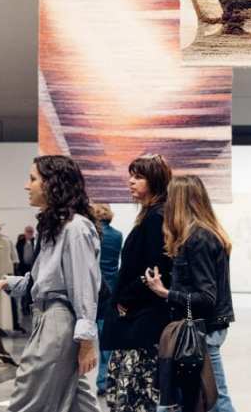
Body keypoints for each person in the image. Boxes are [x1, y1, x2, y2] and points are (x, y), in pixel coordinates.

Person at [0, 155, 101, 412]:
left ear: (52, 184)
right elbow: (43, 277)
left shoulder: (75, 228)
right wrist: (5, 282)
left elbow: (84, 287)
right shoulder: (55, 226)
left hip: (59, 323)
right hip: (49, 319)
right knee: (77, 402)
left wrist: (87, 341)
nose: (26, 186)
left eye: (33, 179)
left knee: (27, 398)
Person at [144, 174, 236, 412]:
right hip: (202, 328)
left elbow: (206, 298)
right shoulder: (198, 235)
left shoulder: (199, 238)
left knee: (216, 399)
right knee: (202, 397)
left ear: (179, 201)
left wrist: (165, 292)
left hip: (204, 329)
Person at [103, 155, 173, 412]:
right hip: (139, 319)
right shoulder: (151, 214)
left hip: (143, 321)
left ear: (154, 181)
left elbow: (155, 268)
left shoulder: (157, 217)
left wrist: (125, 299)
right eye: (131, 175)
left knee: (135, 396)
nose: (131, 182)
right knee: (131, 395)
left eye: (138, 176)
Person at [92, 203, 123, 396]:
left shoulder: (90, 235)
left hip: (90, 289)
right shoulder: (117, 235)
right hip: (110, 289)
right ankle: (104, 380)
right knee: (106, 338)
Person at [16, 226, 37, 318]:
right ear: (25, 232)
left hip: (33, 268)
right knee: (24, 288)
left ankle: (30, 307)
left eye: (31, 232)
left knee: (32, 289)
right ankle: (24, 308)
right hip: (23, 268)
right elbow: (17, 255)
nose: (29, 233)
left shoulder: (35, 241)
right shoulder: (20, 243)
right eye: (28, 232)